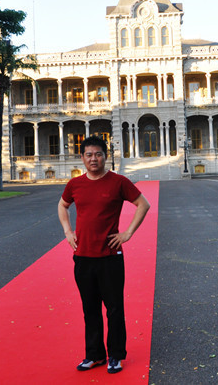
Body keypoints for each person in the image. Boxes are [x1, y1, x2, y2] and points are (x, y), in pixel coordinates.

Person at [57, 135, 150, 374]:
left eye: (98, 154)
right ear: (82, 158)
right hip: (83, 257)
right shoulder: (75, 184)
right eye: (89, 155)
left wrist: (128, 233)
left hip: (110, 256)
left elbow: (143, 204)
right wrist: (68, 231)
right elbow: (63, 205)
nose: (93, 159)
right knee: (90, 309)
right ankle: (95, 355)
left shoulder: (118, 182)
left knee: (114, 308)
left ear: (105, 157)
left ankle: (116, 355)